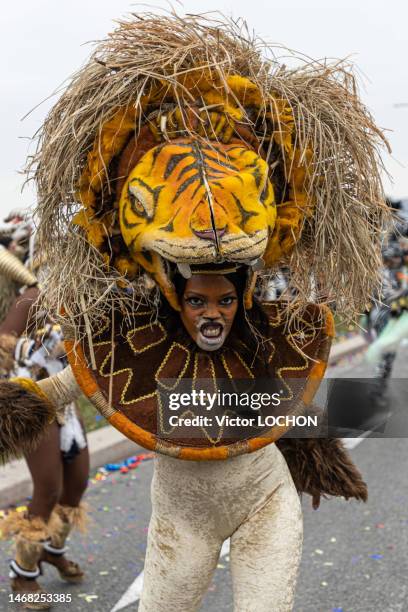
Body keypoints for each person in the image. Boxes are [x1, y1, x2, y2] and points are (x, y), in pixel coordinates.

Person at [0, 11, 392, 611]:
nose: (214, 312)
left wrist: (324, 443)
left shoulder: (271, 333)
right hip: (180, 517)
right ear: (175, 296)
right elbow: (65, 386)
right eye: (199, 300)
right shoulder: (126, 342)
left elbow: (287, 398)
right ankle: (26, 573)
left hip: (266, 499)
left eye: (225, 299)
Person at [0, 275, 89, 609]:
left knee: (77, 483)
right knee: (49, 488)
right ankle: (23, 573)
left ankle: (52, 551)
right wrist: (38, 347)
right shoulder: (34, 295)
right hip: (29, 400)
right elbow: (3, 342)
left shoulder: (82, 294)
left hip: (64, 398)